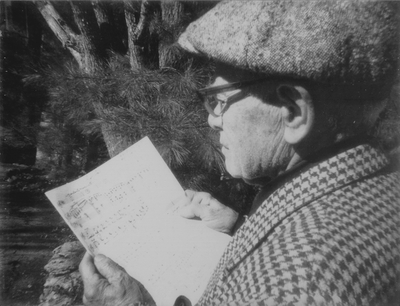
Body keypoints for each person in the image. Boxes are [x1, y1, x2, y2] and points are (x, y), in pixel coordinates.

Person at [79, 1, 400, 305]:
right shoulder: (383, 190)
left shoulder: (303, 281)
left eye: (218, 100)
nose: (211, 119)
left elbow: (296, 275)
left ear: (293, 112)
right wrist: (241, 229)